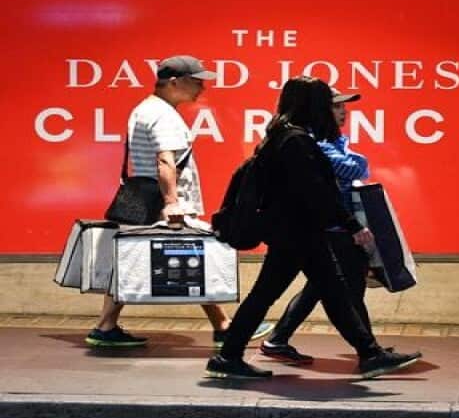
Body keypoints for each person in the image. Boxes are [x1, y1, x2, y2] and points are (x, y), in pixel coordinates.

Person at [205, 76, 421, 380]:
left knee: (321, 292)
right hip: (298, 232)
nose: (333, 111)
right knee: (311, 293)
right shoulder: (296, 140)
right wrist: (350, 224)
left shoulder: (279, 135)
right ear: (311, 105)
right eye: (325, 104)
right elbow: (316, 190)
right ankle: (369, 354)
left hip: (294, 232)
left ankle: (369, 353)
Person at [87, 55, 271, 348]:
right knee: (194, 259)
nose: (202, 88)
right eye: (195, 82)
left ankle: (106, 325)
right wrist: (172, 202)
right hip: (166, 204)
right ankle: (223, 326)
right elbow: (165, 160)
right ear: (174, 82)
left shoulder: (145, 109)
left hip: (142, 199)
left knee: (134, 260)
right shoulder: (165, 116)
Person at [258, 87, 374, 365]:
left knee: (323, 285)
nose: (343, 111)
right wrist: (350, 224)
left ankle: (276, 339)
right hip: (327, 227)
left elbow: (351, 165)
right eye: (335, 106)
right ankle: (370, 350)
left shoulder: (328, 140)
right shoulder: (312, 142)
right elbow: (353, 168)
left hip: (328, 226)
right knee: (347, 285)